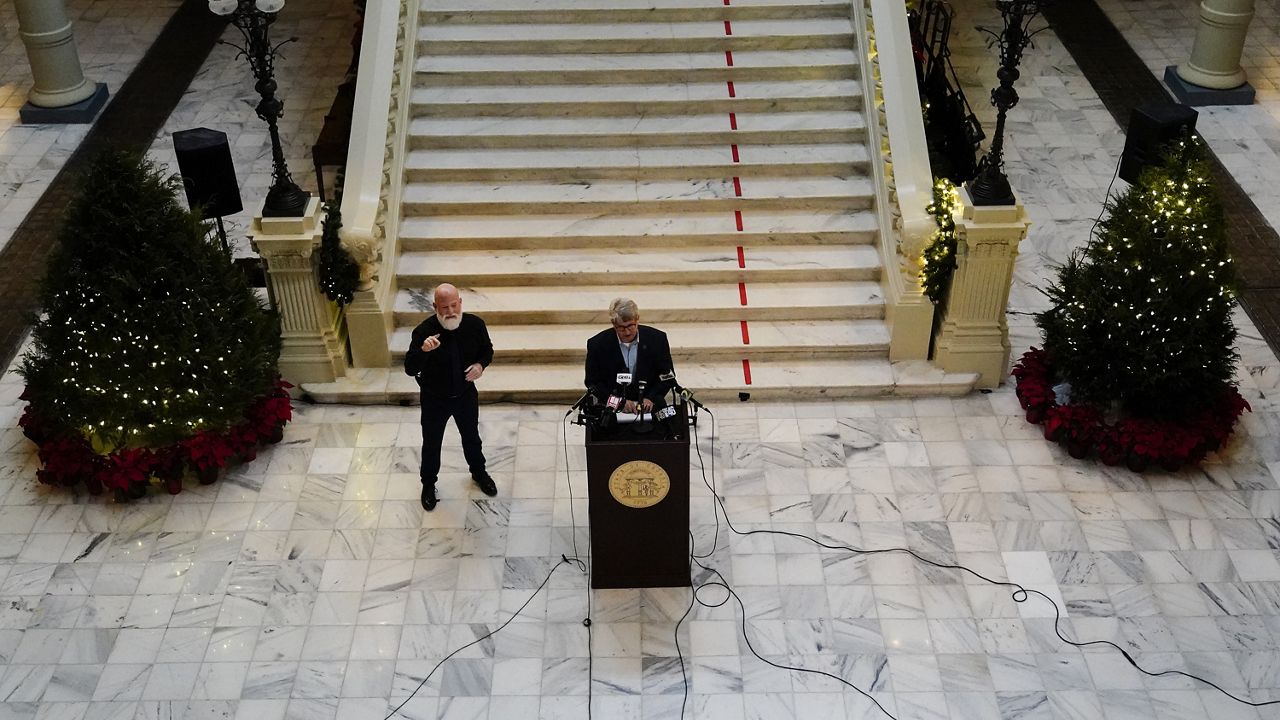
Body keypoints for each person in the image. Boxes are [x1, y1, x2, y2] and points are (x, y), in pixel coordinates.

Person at [404, 283, 495, 511]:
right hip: (435, 398)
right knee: (432, 443)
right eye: (444, 307)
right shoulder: (423, 332)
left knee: (472, 436)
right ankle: (428, 484)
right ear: (435, 307)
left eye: (454, 305)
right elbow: (409, 367)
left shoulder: (475, 325)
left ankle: (479, 472)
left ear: (460, 303)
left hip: (465, 394)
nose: (450, 311)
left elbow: (487, 350)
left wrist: (480, 365)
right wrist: (423, 351)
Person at [584, 298, 675, 414]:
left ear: (637, 319)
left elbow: (667, 376)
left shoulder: (657, 339)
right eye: (621, 328)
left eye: (631, 326)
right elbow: (592, 382)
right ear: (613, 324)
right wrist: (617, 402)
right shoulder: (597, 344)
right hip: (613, 408)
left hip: (649, 406)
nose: (627, 332)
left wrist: (651, 398)